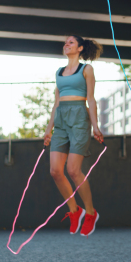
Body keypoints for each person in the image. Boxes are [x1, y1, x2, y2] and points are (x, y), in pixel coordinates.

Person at [44, 35, 105, 237]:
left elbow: (91, 98)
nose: (66, 44)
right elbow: (56, 103)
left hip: (79, 118)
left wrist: (95, 126)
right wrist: (48, 129)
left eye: (71, 42)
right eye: (65, 42)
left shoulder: (86, 69)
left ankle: (90, 212)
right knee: (55, 171)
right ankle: (74, 210)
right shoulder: (59, 73)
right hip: (61, 120)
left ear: (79, 48)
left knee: (73, 170)